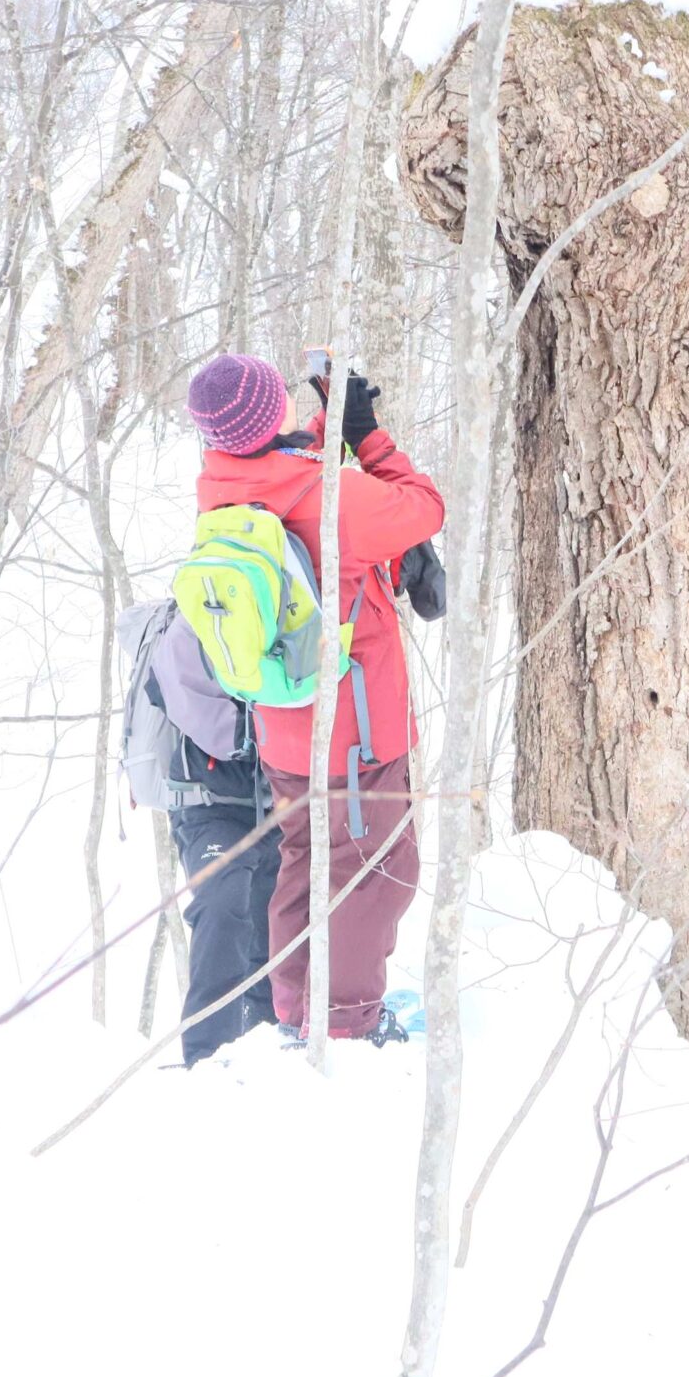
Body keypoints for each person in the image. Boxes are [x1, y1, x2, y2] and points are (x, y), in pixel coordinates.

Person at [188, 353, 444, 1044]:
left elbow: (283, 467)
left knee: (306, 865)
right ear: (273, 416)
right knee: (380, 872)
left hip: (285, 731)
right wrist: (370, 437)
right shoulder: (334, 500)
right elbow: (423, 509)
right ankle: (346, 1029)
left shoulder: (220, 486)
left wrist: (333, 421)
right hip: (355, 732)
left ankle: (299, 1015)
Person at [132, 607, 282, 1063]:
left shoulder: (288, 610)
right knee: (222, 904)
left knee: (275, 921)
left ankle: (271, 1041)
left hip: (279, 802)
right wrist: (253, 736)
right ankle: (205, 1055)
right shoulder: (193, 623)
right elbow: (177, 693)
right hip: (207, 805)